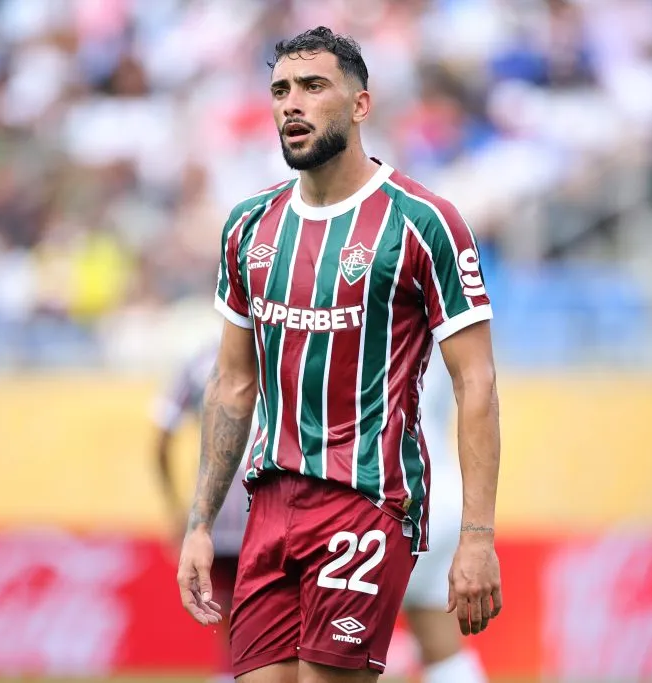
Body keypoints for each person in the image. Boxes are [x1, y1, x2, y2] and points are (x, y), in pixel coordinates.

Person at [176, 26, 503, 683]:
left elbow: (477, 382)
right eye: (280, 90)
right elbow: (233, 382)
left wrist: (477, 534)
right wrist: (200, 522)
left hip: (365, 501)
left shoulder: (421, 222)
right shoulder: (249, 227)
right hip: (269, 507)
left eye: (313, 87)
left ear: (360, 105)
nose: (291, 104)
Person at [152, 342, 254, 682]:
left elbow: (161, 437)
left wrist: (179, 508)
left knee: (226, 624)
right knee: (270, 624)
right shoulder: (285, 347)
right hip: (272, 510)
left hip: (217, 513)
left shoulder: (198, 363)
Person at [399, 349, 488, 683]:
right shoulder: (443, 331)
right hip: (441, 491)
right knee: (439, 643)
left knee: (338, 645)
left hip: (396, 494)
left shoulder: (383, 320)